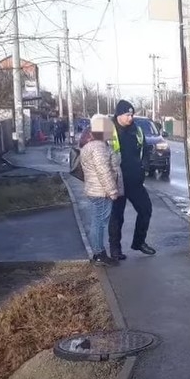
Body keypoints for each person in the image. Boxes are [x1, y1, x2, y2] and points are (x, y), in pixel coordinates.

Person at [108, 100, 155, 259]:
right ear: (119, 114)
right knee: (116, 217)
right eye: (127, 115)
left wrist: (145, 167)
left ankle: (139, 242)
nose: (130, 118)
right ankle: (115, 250)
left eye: (132, 114)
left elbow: (146, 150)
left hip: (135, 181)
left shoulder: (137, 129)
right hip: (117, 181)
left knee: (146, 209)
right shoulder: (108, 129)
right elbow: (98, 153)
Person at [80, 114, 121, 266]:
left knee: (97, 221)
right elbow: (103, 171)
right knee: (99, 223)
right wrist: (112, 191)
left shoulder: (89, 145)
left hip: (93, 189)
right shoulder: (99, 147)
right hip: (101, 191)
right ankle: (99, 253)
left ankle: (98, 252)